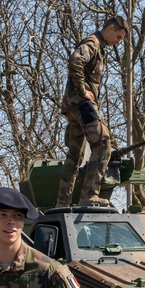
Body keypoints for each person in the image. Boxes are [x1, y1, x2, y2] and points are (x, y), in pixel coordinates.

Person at [56, 15, 128, 208]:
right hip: (81, 104)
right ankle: (89, 195)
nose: (118, 42)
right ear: (111, 28)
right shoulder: (93, 43)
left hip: (74, 106)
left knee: (75, 155)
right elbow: (75, 60)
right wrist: (82, 90)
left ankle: (62, 202)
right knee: (103, 143)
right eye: (119, 37)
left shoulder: (99, 48)